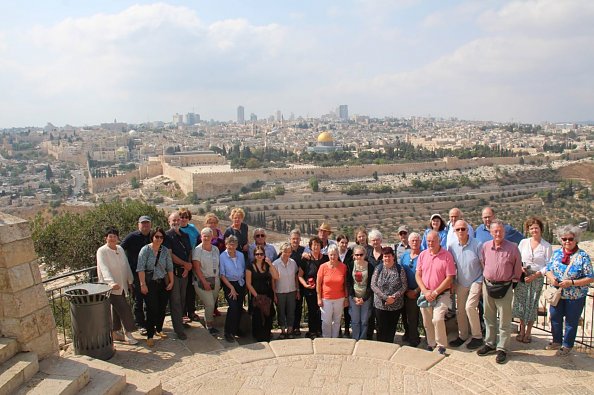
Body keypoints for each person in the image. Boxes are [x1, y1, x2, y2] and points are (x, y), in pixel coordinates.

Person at [477, 220, 522, 364]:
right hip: (488, 285)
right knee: (488, 316)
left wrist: (512, 281)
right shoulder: (485, 247)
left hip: (505, 287)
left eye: (500, 231)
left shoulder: (513, 248)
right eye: (495, 231)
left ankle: (502, 348)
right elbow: (484, 262)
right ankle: (490, 343)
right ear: (490, 232)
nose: (498, 234)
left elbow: (517, 267)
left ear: (504, 232)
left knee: (504, 319)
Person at [545, 225, 593, 356]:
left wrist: (571, 283)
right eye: (564, 239)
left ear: (576, 239)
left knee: (571, 321)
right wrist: (552, 278)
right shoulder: (556, 254)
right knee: (555, 317)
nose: (567, 241)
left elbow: (590, 277)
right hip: (558, 294)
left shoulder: (582, 257)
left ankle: (567, 345)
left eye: (570, 239)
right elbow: (548, 269)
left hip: (575, 296)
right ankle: (556, 341)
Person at [512, 217, 552, 344]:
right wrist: (520, 268)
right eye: (531, 228)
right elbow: (517, 258)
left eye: (536, 227)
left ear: (541, 229)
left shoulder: (546, 246)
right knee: (522, 304)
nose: (534, 230)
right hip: (523, 276)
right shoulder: (523, 242)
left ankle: (529, 332)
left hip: (537, 277)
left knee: (532, 304)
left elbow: (549, 265)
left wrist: (537, 275)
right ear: (528, 230)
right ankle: (522, 330)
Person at [96, 226, 138, 345]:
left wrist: (130, 280)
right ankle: (128, 333)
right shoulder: (102, 251)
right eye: (110, 236)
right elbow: (103, 268)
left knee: (116, 310)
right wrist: (110, 282)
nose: (112, 238)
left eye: (115, 236)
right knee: (125, 309)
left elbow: (125, 265)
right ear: (106, 238)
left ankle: (115, 332)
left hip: (122, 285)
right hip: (111, 287)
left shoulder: (119, 248)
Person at [416, 231, 456, 354]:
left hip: (441, 294)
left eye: (433, 240)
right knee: (427, 321)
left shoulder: (447, 255)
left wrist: (436, 292)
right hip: (426, 293)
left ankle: (441, 345)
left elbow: (450, 277)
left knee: (437, 319)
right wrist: (425, 291)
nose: (431, 243)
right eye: (428, 241)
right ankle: (431, 343)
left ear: (439, 241)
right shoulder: (423, 255)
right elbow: (418, 274)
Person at [447, 220, 484, 350]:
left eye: (463, 229)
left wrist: (484, 282)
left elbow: (483, 263)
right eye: (458, 229)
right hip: (461, 282)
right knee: (460, 310)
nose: (461, 231)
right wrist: (452, 282)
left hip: (476, 279)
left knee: (470, 307)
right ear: (455, 231)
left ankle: (477, 337)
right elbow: (452, 266)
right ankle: (462, 335)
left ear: (468, 230)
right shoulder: (451, 246)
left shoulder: (477, 244)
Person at [137, 227, 174, 347]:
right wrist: (142, 284)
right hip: (150, 283)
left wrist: (171, 282)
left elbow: (169, 267)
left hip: (162, 282)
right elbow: (141, 268)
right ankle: (150, 335)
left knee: (162, 307)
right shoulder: (145, 250)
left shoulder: (165, 251)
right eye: (156, 237)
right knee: (151, 309)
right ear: (152, 237)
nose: (159, 239)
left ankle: (159, 329)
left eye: (161, 237)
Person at [121, 215, 152, 333]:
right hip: (135, 273)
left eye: (147, 223)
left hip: (150, 273)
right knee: (138, 299)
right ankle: (140, 324)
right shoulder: (131, 237)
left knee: (150, 299)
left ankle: (150, 322)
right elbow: (120, 249)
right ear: (138, 225)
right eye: (143, 224)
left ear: (150, 225)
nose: (145, 226)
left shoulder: (153, 236)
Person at [163, 211, 192, 340]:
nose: (175, 222)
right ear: (169, 222)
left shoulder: (185, 235)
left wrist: (188, 266)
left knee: (182, 299)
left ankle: (180, 322)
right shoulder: (167, 236)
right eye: (173, 220)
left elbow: (189, 251)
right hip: (173, 272)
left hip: (184, 272)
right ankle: (179, 330)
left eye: (177, 220)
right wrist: (185, 264)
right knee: (175, 301)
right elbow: (170, 255)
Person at [370, 246, 407, 343]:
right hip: (380, 305)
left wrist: (394, 297)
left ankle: (389, 346)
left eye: (389, 256)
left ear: (393, 256)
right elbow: (373, 285)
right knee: (381, 328)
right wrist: (385, 298)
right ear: (382, 257)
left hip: (395, 305)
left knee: (391, 328)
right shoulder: (379, 268)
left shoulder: (400, 269)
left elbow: (404, 286)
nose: (387, 258)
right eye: (385, 256)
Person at [298, 236, 329, 339]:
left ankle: (320, 330)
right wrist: (305, 285)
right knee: (312, 311)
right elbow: (299, 275)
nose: (316, 246)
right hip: (310, 290)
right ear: (310, 247)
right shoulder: (305, 259)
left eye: (318, 244)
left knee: (322, 311)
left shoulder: (326, 258)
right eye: (314, 245)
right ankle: (312, 331)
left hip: (324, 290)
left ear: (321, 246)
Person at [192, 227, 221, 335]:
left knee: (211, 303)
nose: (207, 238)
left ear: (212, 237)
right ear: (201, 237)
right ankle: (209, 325)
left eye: (209, 236)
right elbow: (197, 268)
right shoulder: (198, 250)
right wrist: (204, 282)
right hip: (202, 281)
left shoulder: (215, 249)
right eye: (205, 236)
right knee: (209, 304)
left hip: (215, 280)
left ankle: (208, 321)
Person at [247, 245, 278, 342]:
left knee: (268, 316)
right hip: (257, 295)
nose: (259, 256)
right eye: (257, 254)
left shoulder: (267, 265)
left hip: (268, 294)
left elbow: (276, 276)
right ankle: (258, 336)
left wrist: (271, 264)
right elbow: (248, 283)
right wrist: (257, 296)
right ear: (254, 255)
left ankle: (267, 335)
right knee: (257, 317)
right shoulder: (250, 266)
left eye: (261, 254)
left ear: (264, 255)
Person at [317, 245, 348, 338]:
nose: (332, 257)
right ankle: (326, 338)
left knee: (337, 321)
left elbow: (346, 284)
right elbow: (318, 284)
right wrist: (319, 298)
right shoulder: (323, 267)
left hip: (340, 298)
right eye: (331, 255)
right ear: (328, 255)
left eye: (334, 255)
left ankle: (335, 339)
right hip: (326, 298)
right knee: (326, 321)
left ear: (338, 255)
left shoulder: (343, 267)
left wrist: (346, 298)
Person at [220, 235, 247, 343]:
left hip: (240, 283)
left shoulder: (240, 255)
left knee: (239, 307)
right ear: (226, 245)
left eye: (233, 244)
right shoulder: (222, 256)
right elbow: (222, 274)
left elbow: (244, 269)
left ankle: (236, 329)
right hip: (229, 284)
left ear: (236, 245)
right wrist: (231, 288)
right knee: (233, 307)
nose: (231, 246)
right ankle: (228, 332)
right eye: (229, 244)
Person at [346, 245, 374, 341]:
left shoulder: (370, 266)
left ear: (365, 255)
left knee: (364, 320)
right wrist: (353, 297)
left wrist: (364, 298)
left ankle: (362, 339)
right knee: (355, 321)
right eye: (356, 255)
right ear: (353, 255)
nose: (359, 257)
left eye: (361, 254)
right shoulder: (350, 265)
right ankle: (355, 338)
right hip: (354, 297)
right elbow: (348, 282)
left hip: (366, 297)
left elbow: (371, 284)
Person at [399, 232, 422, 347]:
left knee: (413, 317)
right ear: (408, 242)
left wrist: (416, 291)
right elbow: (399, 271)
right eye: (412, 240)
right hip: (405, 291)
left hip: (418, 290)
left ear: (420, 242)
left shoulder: (424, 256)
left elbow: (426, 276)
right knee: (404, 315)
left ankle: (414, 339)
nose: (414, 242)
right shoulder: (404, 256)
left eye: (417, 240)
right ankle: (407, 334)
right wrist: (405, 290)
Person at [272, 243, 299, 339]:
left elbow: (296, 277)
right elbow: (273, 280)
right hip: (280, 291)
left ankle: (290, 330)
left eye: (289, 252)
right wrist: (274, 294)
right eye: (285, 252)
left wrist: (298, 290)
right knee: (281, 312)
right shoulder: (275, 263)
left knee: (291, 311)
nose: (287, 254)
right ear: (281, 251)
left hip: (291, 291)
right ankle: (282, 331)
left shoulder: (293, 262)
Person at [179, 208, 200, 323]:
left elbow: (198, 241)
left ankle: (191, 311)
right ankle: (182, 313)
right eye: (181, 217)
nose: (183, 219)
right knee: (182, 289)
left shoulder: (192, 229)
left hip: (192, 261)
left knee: (191, 288)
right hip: (181, 263)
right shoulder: (176, 230)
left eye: (186, 217)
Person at [366, 229, 384, 340]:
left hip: (383, 290)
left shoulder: (386, 253)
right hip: (370, 289)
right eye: (373, 240)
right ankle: (369, 336)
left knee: (380, 314)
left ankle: (380, 337)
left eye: (377, 240)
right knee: (370, 314)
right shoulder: (367, 254)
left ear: (381, 240)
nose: (375, 242)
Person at [288, 229, 306, 336]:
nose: (295, 241)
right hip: (289, 283)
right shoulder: (285, 251)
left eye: (297, 239)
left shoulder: (304, 251)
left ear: (300, 240)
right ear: (290, 240)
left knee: (298, 306)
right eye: (293, 239)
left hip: (302, 283)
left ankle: (297, 327)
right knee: (289, 307)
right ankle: (289, 327)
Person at [337, 234, 353, 337]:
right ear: (338, 242)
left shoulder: (351, 254)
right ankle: (338, 329)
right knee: (337, 310)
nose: (344, 244)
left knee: (347, 309)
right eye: (342, 242)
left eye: (346, 243)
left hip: (348, 284)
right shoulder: (333, 253)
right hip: (336, 285)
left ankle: (347, 328)